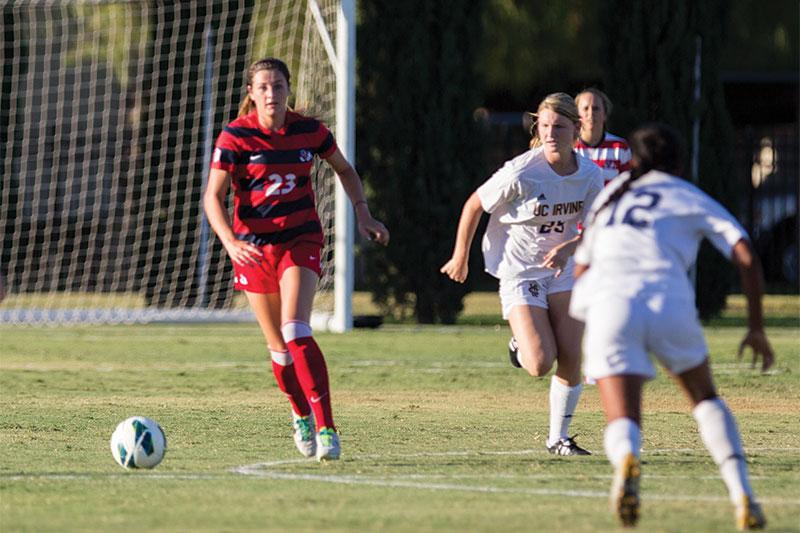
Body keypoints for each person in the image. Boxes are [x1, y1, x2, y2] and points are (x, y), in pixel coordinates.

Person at [569, 123, 773, 529]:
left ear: (634, 160)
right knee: (705, 399)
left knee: (621, 418)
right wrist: (755, 326)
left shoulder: (612, 194)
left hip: (609, 301)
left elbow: (581, 266)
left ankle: (627, 458)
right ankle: (742, 494)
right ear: (678, 162)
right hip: (668, 297)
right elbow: (745, 253)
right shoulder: (685, 193)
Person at [203, 57, 389, 462]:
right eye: (264, 87)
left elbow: (345, 170)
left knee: (296, 328)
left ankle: (327, 427)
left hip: (299, 240)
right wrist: (231, 242)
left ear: (289, 90)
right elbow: (212, 198)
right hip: (253, 248)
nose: (272, 94)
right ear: (251, 93)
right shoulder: (235, 136)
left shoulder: (310, 131)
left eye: (279, 86)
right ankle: (300, 412)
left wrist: (363, 212)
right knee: (279, 350)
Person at [441, 92, 604, 456]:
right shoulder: (521, 171)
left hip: (563, 271)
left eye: (558, 126)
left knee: (572, 356)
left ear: (576, 129)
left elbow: (597, 226)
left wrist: (569, 248)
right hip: (521, 273)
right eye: (543, 125)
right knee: (539, 363)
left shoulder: (590, 174)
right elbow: (473, 205)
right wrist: (460, 257)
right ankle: (520, 344)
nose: (549, 133)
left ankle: (558, 438)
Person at [574, 88, 632, 184]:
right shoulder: (569, 148)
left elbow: (628, 186)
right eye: (585, 108)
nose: (591, 113)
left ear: (605, 114)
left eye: (596, 108)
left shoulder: (620, 147)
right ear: (577, 115)